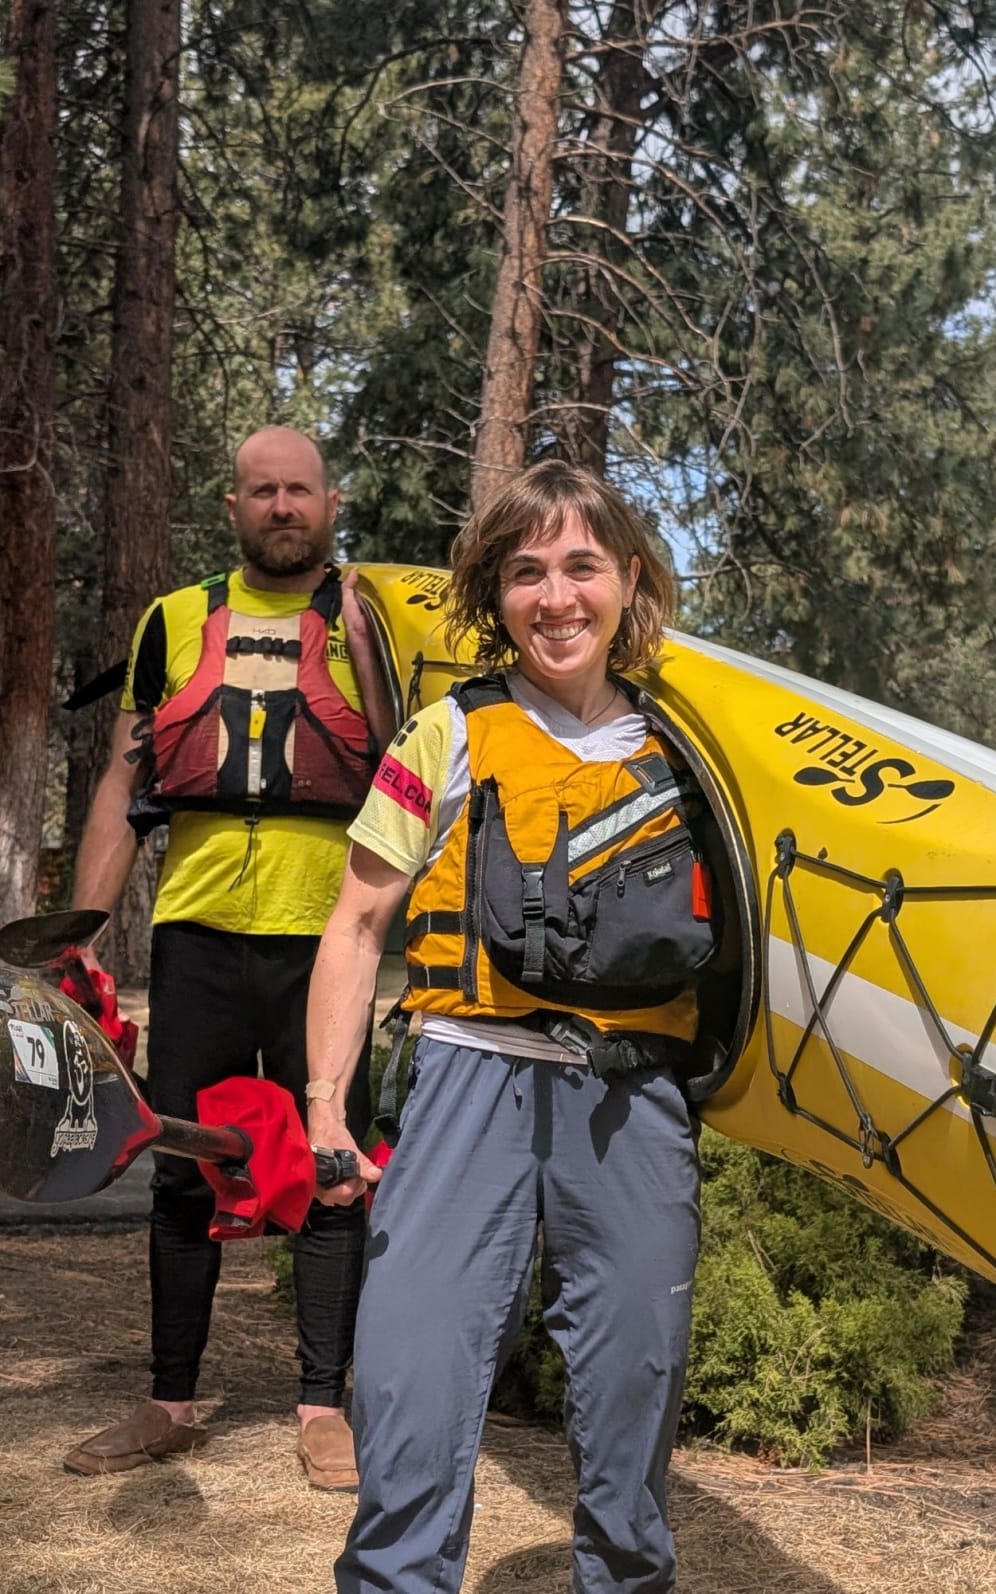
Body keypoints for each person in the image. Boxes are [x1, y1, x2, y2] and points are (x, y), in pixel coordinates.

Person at [306, 460, 719, 1592]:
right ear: (495, 595)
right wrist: (324, 1102)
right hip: (463, 1078)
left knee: (636, 1383)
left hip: (631, 1099)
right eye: (526, 572)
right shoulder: (443, 735)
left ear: (628, 580)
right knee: (411, 1382)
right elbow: (355, 925)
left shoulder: (692, 756)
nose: (556, 598)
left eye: (582, 566)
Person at [63, 426, 393, 1490]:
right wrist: (76, 939)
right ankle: (170, 1400)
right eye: (264, 491)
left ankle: (321, 1406)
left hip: (326, 935)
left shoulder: (367, 620)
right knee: (181, 1161)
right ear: (233, 503)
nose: (283, 507)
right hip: (198, 928)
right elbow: (124, 786)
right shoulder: (174, 622)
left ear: (330, 503)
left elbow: (407, 761)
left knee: (331, 1168)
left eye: (300, 490)